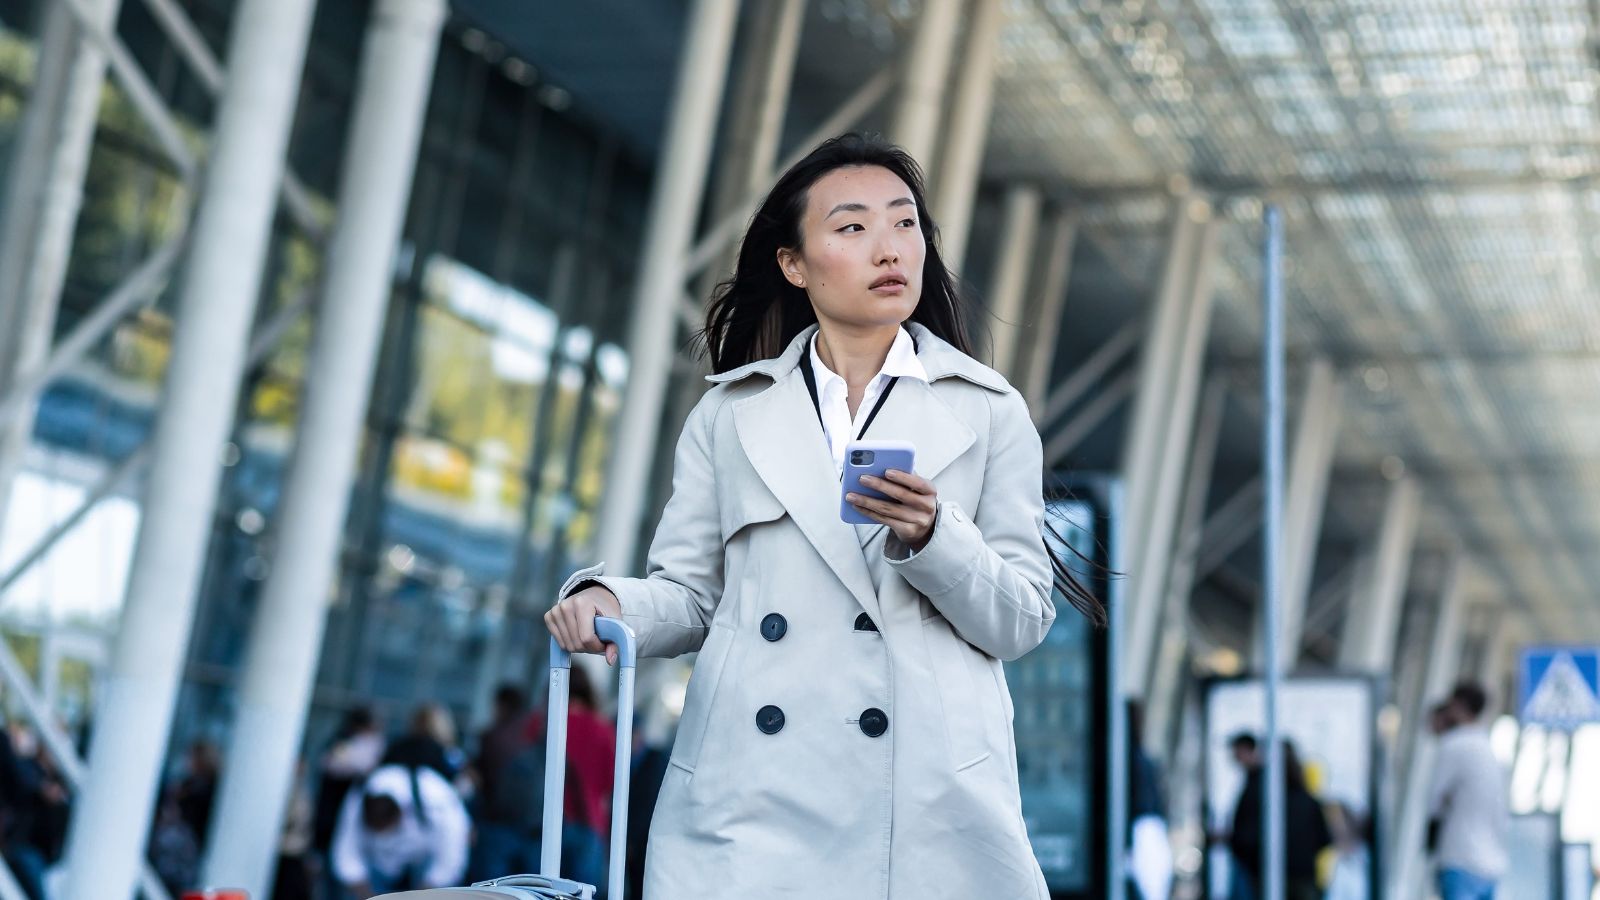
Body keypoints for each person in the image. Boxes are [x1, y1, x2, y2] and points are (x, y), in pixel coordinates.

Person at [545, 132, 1104, 898]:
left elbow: (1021, 619)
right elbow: (693, 596)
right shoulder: (729, 414)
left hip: (925, 804)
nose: (890, 248)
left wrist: (936, 536)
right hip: (752, 797)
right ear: (794, 265)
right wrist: (614, 604)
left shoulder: (987, 411)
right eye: (853, 227)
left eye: (906, 223)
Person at [330, 761, 471, 897]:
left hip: (423, 863)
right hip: (377, 869)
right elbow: (346, 852)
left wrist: (423, 894)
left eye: (387, 830)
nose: (383, 839)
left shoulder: (436, 797)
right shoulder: (360, 796)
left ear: (401, 814)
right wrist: (366, 894)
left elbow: (451, 857)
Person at [1427, 681, 1509, 900]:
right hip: (1490, 864)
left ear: (1456, 705)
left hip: (1461, 859)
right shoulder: (1489, 749)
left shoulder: (1455, 744)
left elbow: (1432, 800)